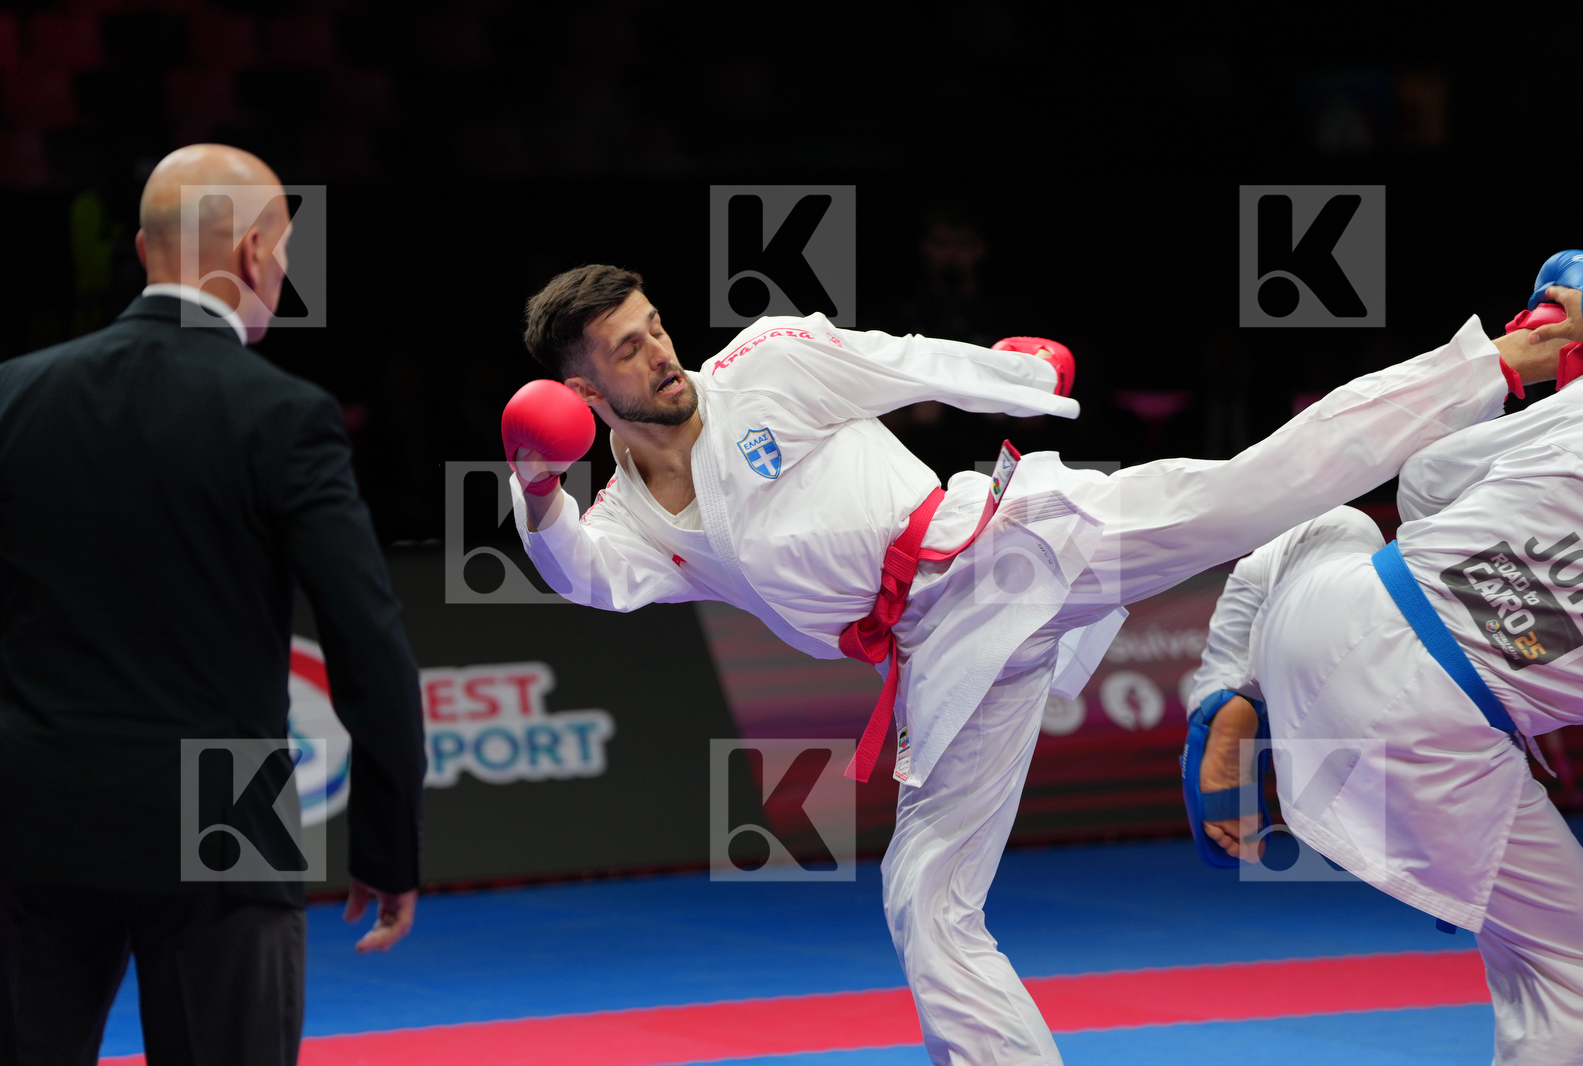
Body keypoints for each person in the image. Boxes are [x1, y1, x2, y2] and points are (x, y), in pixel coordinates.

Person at [511, 263, 1563, 1066]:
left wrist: (1021, 378)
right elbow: (589, 578)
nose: (660, 355)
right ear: (578, 387)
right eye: (626, 349)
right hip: (941, 659)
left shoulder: (761, 366)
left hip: (1013, 548)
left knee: (1265, 484)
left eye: (654, 329)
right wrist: (535, 486)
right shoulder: (631, 519)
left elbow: (899, 356)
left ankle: (1496, 366)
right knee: (925, 900)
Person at [0, 144, 425, 1066]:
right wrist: (388, 843)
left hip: (34, 807)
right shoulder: (284, 414)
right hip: (224, 804)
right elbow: (364, 635)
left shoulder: (8, 396)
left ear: (146, 250)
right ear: (257, 252)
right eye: (289, 252)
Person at [1186, 284, 1583, 1065]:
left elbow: (1426, 481)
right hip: (1436, 731)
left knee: (1332, 524)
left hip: (1333, 612)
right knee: (1569, 970)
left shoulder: (1566, 421)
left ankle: (1228, 689)